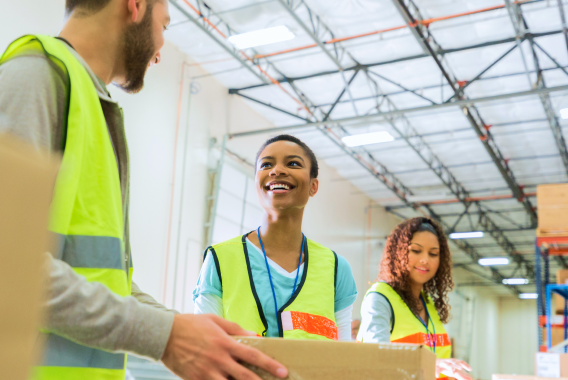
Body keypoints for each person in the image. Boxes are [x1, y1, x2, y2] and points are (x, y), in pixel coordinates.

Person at [0, 1, 288, 379]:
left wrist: (185, 330)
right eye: (164, 26)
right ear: (134, 6)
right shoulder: (34, 78)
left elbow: (100, 278)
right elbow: (10, 268)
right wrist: (165, 336)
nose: (161, 48)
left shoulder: (89, 103)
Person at [193, 134, 358, 341]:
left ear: (313, 186)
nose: (277, 170)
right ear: (257, 183)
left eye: (293, 163)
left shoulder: (336, 268)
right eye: (266, 164)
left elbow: (342, 352)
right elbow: (205, 344)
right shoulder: (220, 258)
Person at [357, 217, 474, 380]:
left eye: (433, 254)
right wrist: (428, 363)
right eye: (416, 250)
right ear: (399, 252)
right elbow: (376, 354)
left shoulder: (428, 304)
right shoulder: (380, 297)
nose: (425, 259)